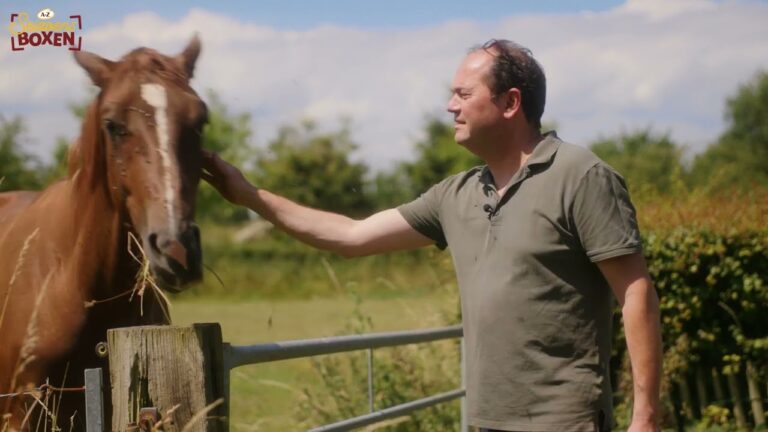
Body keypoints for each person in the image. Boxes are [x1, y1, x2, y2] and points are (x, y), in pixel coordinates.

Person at [201, 39, 662, 432]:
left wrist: (645, 417)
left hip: (564, 421)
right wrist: (250, 195)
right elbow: (349, 236)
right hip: (485, 419)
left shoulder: (581, 176)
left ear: (510, 103)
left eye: (463, 93)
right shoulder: (454, 195)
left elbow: (635, 292)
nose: (450, 105)